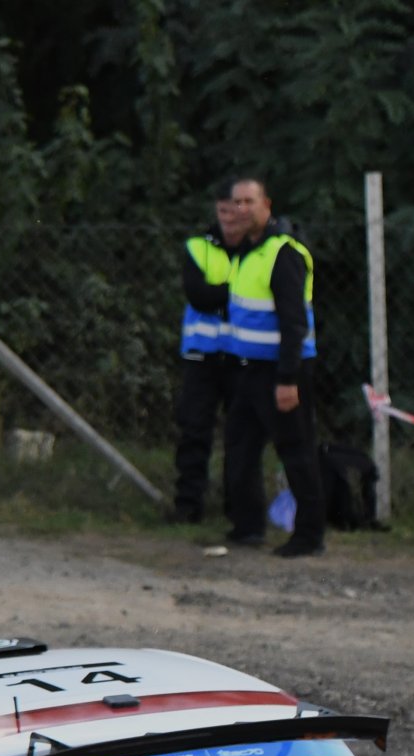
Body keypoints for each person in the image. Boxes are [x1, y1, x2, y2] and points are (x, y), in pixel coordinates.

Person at [221, 176, 324, 558]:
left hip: (280, 372)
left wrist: (287, 378)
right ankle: (248, 527)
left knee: (295, 450)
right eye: (237, 202)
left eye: (250, 201)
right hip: (249, 371)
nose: (242, 209)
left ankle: (309, 535)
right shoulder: (247, 252)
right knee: (240, 448)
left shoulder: (283, 253)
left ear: (267, 205)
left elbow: (294, 322)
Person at [169, 184, 241, 524]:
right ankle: (188, 505)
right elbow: (199, 295)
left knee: (241, 436)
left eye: (236, 209)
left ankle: (237, 507)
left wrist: (222, 293)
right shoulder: (199, 248)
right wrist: (240, 292)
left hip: (243, 357)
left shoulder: (260, 251)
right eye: (224, 209)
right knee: (194, 430)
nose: (229, 217)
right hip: (202, 356)